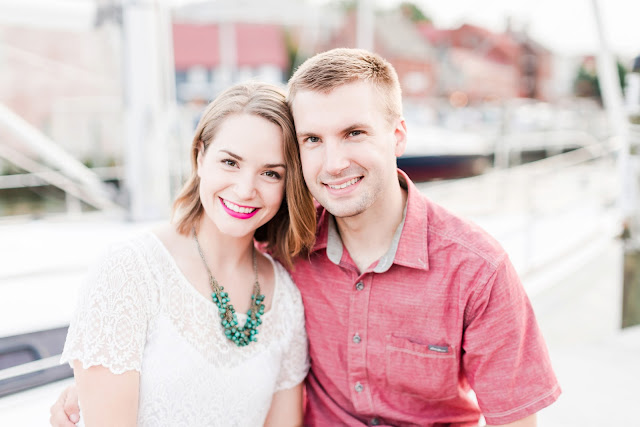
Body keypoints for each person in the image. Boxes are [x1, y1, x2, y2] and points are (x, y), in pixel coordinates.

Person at [52, 49, 560, 426]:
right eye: (313, 140)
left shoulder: (476, 269)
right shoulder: (289, 246)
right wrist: (97, 381)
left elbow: (515, 419)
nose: (334, 162)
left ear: (398, 135)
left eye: (354, 133)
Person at [54, 82, 317, 426]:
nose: (245, 188)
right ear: (199, 157)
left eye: (270, 173)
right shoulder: (129, 270)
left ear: (288, 184)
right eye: (230, 162)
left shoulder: (285, 297)